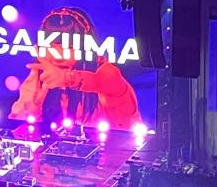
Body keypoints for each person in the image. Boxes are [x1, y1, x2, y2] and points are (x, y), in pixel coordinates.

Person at [9, 7, 140, 130]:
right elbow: (19, 135)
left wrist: (67, 78)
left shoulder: (105, 72)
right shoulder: (37, 82)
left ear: (85, 48)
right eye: (51, 46)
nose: (58, 56)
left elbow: (106, 81)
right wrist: (32, 106)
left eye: (69, 47)